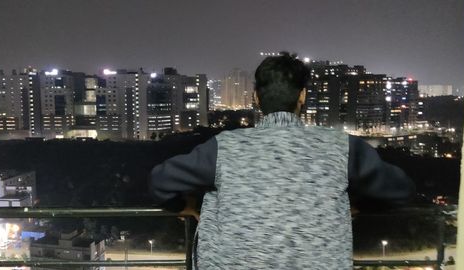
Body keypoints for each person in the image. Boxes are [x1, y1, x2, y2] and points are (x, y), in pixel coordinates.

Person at [149, 52, 415, 269]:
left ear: (256, 99)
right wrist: (358, 205)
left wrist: (186, 204)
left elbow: (160, 181)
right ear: (302, 96)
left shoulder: (224, 147)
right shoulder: (341, 147)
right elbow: (400, 190)